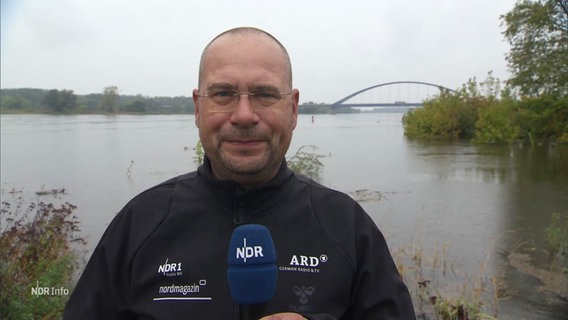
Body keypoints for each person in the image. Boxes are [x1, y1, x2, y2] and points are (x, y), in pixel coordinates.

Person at [63, 27, 416, 319]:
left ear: (292, 109)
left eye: (264, 94)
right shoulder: (140, 222)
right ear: (198, 108)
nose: (244, 115)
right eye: (223, 94)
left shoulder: (346, 226)